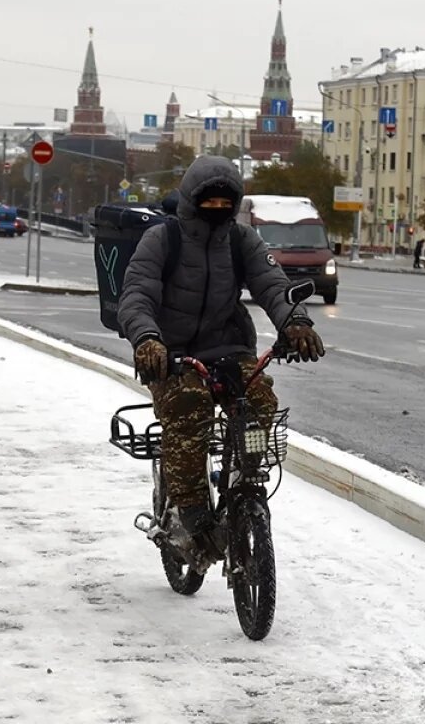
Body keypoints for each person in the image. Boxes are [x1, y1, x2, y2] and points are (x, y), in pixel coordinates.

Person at [118, 155, 324, 561]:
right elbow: (136, 294)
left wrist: (296, 322)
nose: (216, 209)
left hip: (228, 348)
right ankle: (192, 514)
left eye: (224, 203)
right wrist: (147, 339)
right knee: (190, 407)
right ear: (191, 200)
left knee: (260, 401)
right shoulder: (162, 239)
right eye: (208, 202)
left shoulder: (242, 240)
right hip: (171, 354)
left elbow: (272, 284)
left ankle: (243, 477)